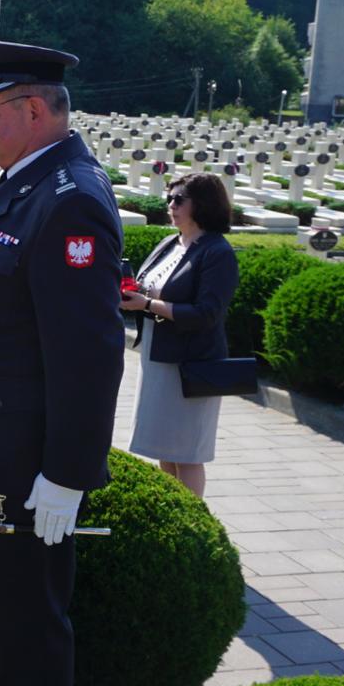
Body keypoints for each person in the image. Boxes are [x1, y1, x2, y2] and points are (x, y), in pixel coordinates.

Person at [0, 40, 121, 686]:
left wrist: (68, 474)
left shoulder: (72, 202)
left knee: (26, 637)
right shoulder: (30, 175)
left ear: (33, 110)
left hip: (20, 471)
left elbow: (87, 357)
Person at [118, 173, 238, 498]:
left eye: (179, 199)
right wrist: (133, 294)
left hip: (192, 363)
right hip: (157, 357)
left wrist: (147, 304)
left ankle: (193, 522)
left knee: (187, 452)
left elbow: (206, 313)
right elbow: (151, 287)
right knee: (165, 447)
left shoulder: (217, 252)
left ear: (202, 204)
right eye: (169, 198)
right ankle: (174, 509)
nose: (170, 205)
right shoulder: (171, 242)